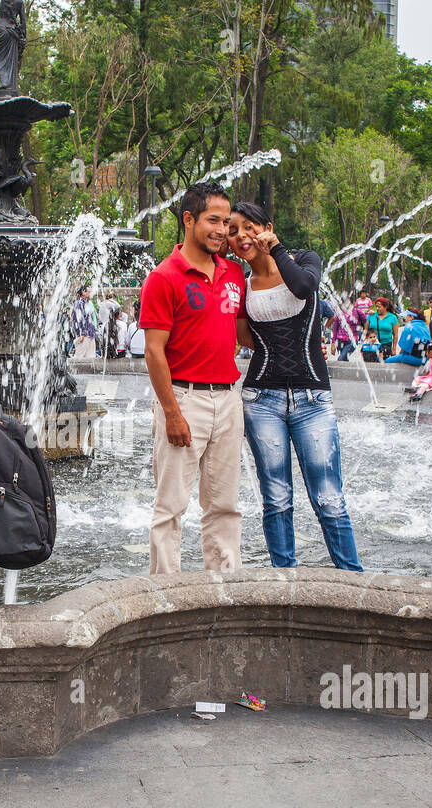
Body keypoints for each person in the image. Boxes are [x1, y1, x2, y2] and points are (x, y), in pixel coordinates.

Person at [228, 201, 362, 572]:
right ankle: (284, 581)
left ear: (267, 227)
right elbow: (245, 338)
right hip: (261, 399)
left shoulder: (303, 259)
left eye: (249, 227)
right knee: (276, 498)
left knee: (329, 497)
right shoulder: (241, 284)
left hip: (313, 399)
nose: (242, 236)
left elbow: (304, 288)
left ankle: (352, 581)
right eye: (234, 230)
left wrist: (276, 249)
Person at [139, 181, 244, 574]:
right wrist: (172, 413)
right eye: (213, 220)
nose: (221, 230)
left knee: (224, 504)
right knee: (171, 505)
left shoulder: (233, 274)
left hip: (229, 399)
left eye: (226, 222)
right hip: (184, 398)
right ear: (189, 219)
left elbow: (244, 330)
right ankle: (165, 592)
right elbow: (154, 351)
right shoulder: (164, 277)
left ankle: (224, 584)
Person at [71, 285, 97, 359]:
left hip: (90, 334)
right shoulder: (79, 303)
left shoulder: (87, 303)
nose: (91, 293)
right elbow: (78, 319)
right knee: (80, 357)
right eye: (89, 292)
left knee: (91, 358)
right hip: (84, 335)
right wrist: (81, 333)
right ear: (83, 292)